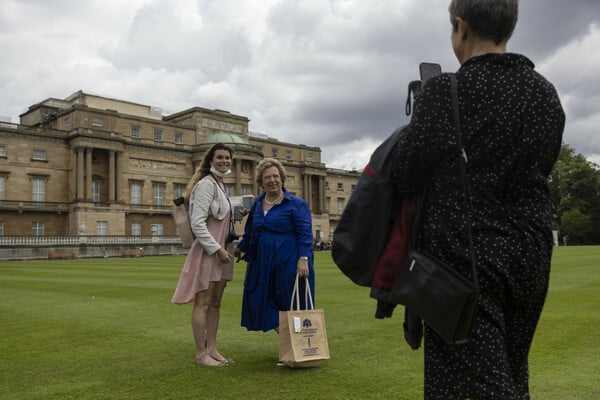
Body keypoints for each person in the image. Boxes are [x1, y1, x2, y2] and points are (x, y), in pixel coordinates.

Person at [390, 0, 565, 399]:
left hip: (463, 257)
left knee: (465, 386)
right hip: (530, 253)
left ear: (461, 27)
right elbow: (543, 164)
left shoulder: (445, 90)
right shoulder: (545, 94)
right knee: (512, 371)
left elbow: (405, 173)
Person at [172, 143, 236, 367]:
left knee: (216, 303)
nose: (225, 161)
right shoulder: (206, 184)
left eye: (228, 158)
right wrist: (216, 249)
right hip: (211, 252)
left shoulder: (219, 184)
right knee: (203, 302)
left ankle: (212, 349)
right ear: (210, 160)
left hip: (222, 251)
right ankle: (201, 354)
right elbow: (198, 224)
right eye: (220, 157)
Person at [234, 158, 315, 334]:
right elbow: (251, 233)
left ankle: (298, 349)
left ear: (282, 178)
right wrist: (239, 249)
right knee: (264, 304)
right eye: (267, 177)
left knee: (289, 303)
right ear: (261, 182)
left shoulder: (296, 204)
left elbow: (305, 235)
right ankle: (291, 347)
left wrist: (303, 260)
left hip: (288, 261)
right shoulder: (257, 204)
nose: (272, 180)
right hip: (262, 263)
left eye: (275, 176)